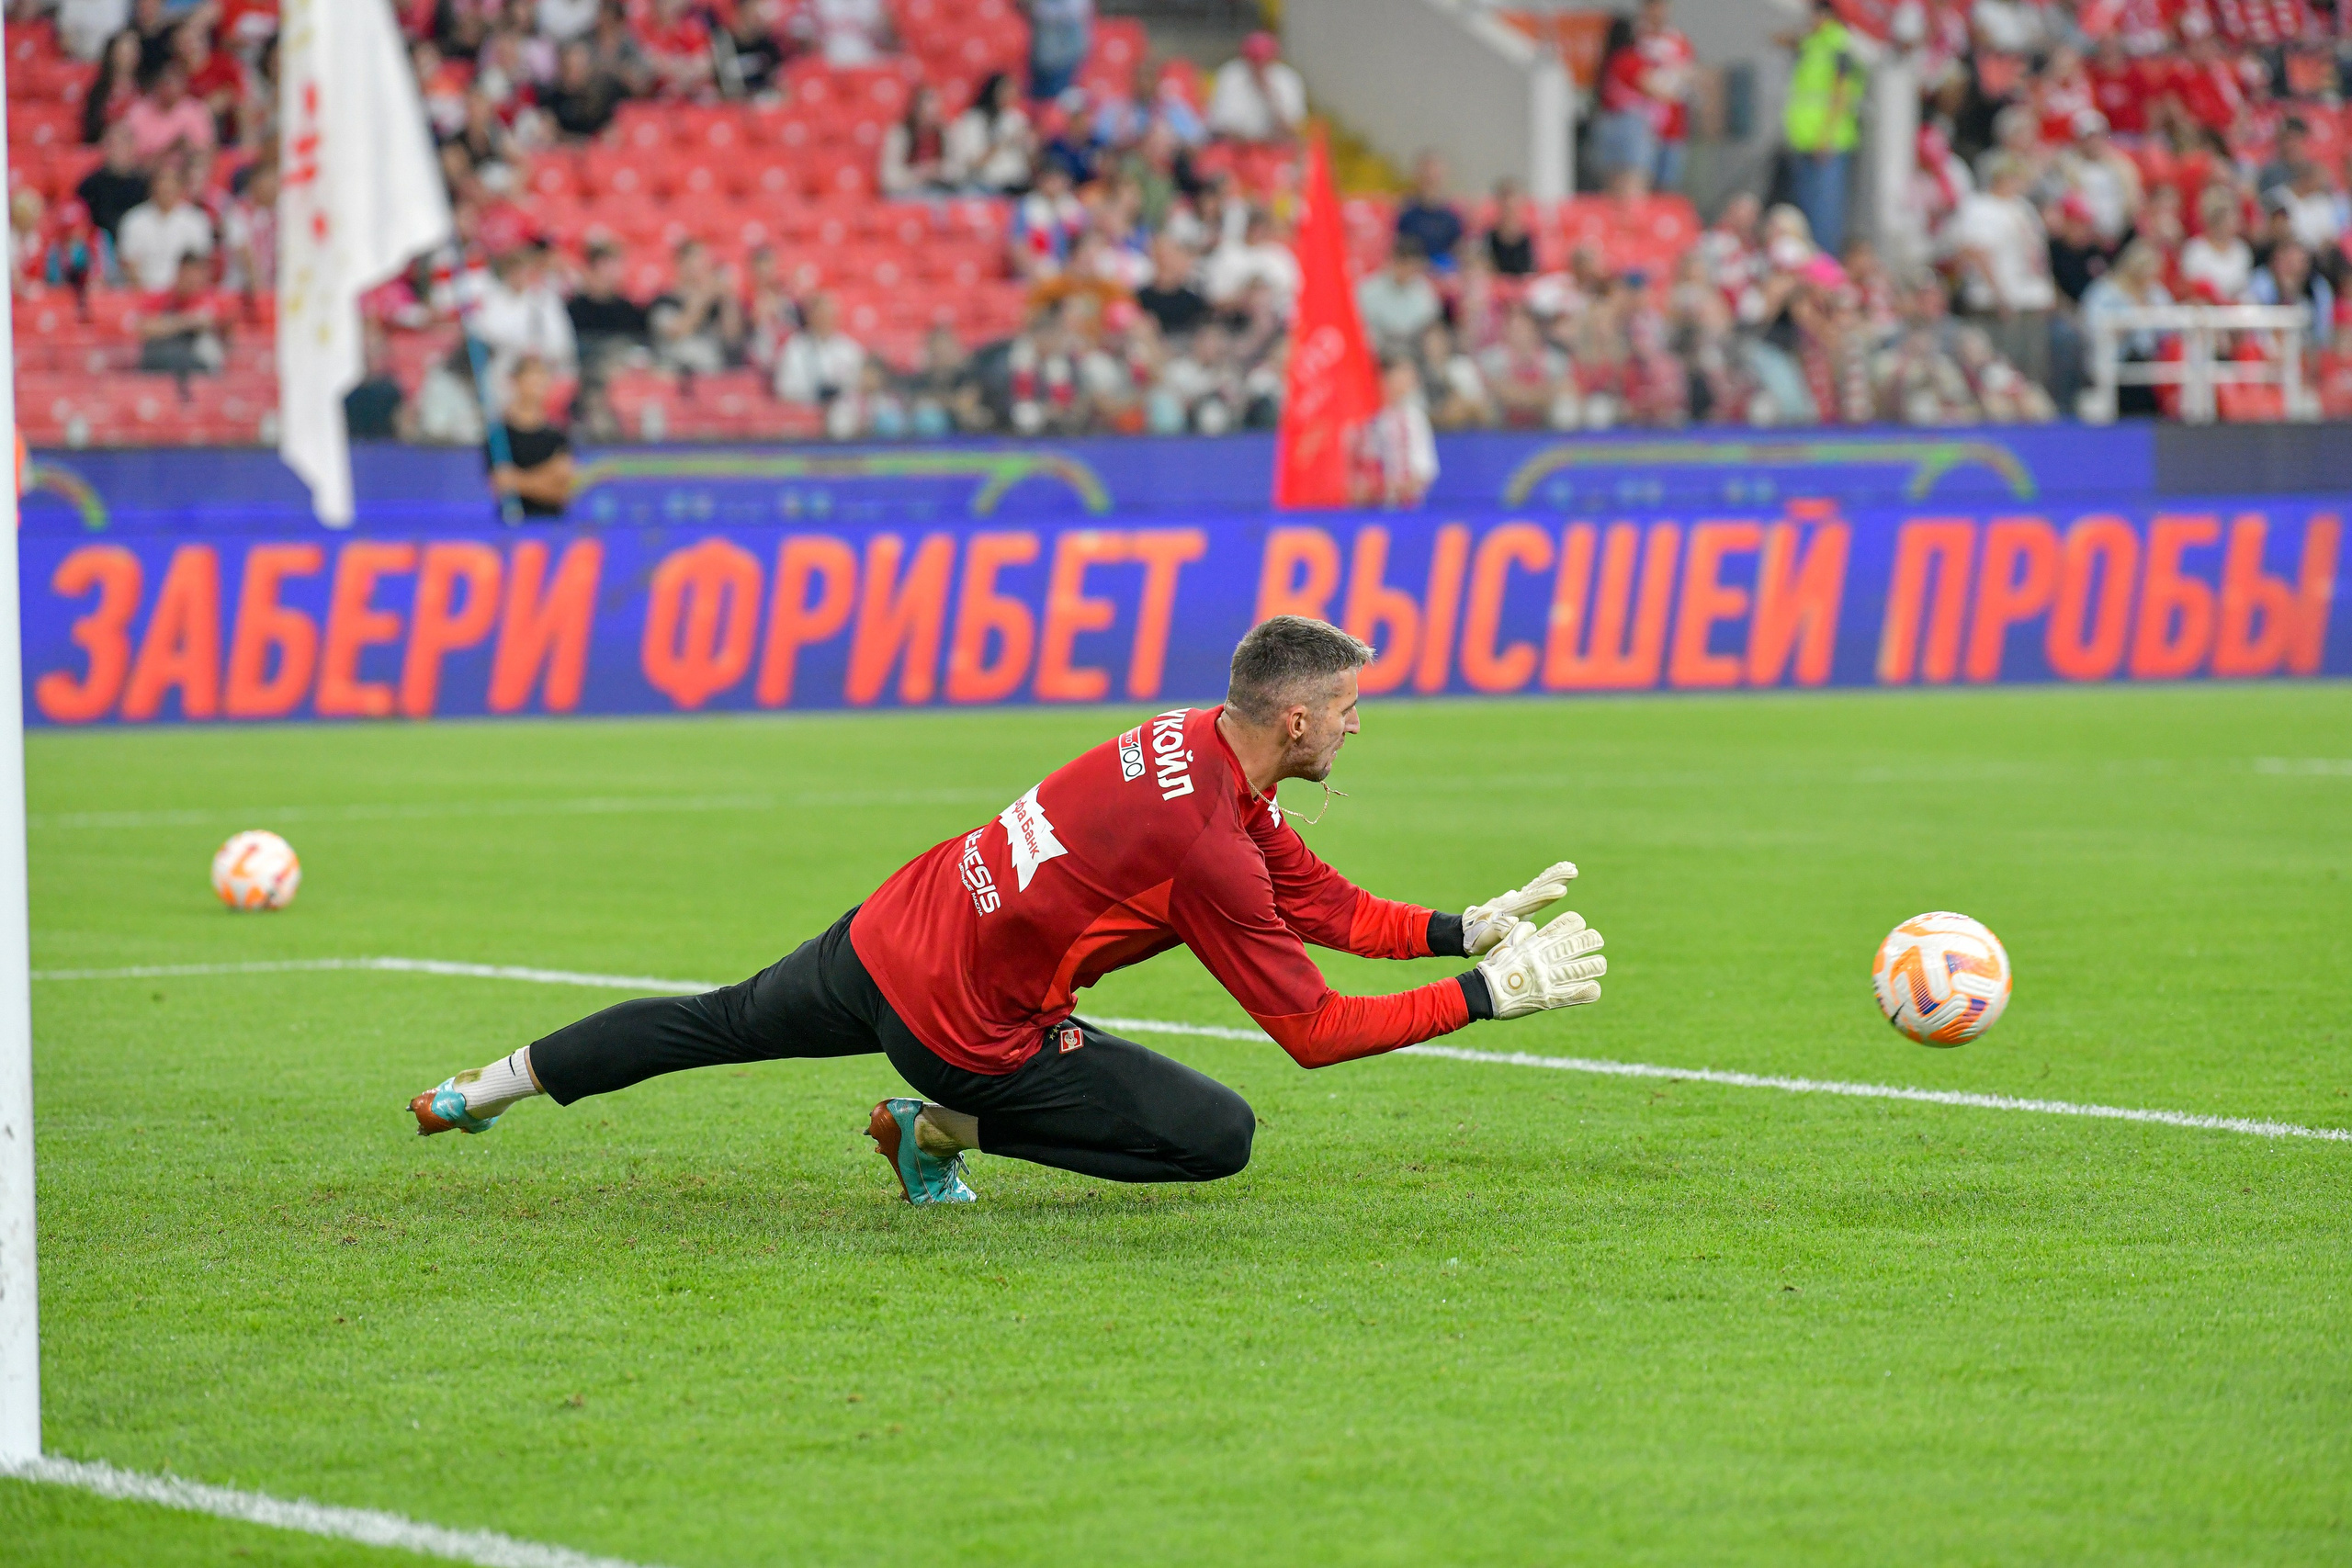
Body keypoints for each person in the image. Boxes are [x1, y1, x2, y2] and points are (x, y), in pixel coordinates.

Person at [407, 616, 1609, 1206]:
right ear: (1292, 722)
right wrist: (1487, 993)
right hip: (962, 1028)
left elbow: (1316, 898)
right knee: (1218, 1136)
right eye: (1348, 707)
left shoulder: (1191, 747)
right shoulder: (1208, 843)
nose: (1357, 725)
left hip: (890, 927)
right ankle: (934, 1131)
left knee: (711, 1021)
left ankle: (480, 1088)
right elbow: (1313, 1029)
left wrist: (1461, 926)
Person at [1779, 0, 1863, 256]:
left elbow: (1841, 93)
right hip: (1804, 137)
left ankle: (1826, 262)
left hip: (1828, 141)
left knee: (1825, 211)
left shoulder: (1838, 43)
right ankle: (1809, 259)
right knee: (1806, 208)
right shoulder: (1812, 42)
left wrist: (1826, 136)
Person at [486, 355, 576, 520]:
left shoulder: (556, 435)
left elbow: (563, 490)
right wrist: (547, 476)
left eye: (543, 376)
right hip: (513, 530)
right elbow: (499, 483)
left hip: (552, 530)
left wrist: (517, 480)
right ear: (515, 380)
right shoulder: (499, 436)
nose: (539, 383)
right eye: (532, 376)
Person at [114, 160, 211, 292]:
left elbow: (200, 265)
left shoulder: (196, 220)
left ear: (180, 187)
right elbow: (129, 265)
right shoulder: (134, 220)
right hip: (144, 294)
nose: (166, 189)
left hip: (183, 296)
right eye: (161, 183)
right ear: (152, 187)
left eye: (171, 184)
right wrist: (148, 297)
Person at [133, 251, 225, 375]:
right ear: (180, 272)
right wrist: (186, 321)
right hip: (160, 362)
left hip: (195, 364)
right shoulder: (162, 298)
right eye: (189, 274)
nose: (193, 280)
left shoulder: (207, 299)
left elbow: (209, 321)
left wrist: (166, 326)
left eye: (197, 275)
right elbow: (143, 328)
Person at [1205, 30, 1305, 144]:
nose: (1258, 66)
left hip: (1274, 148)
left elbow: (1294, 131)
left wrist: (1269, 94)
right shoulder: (1230, 75)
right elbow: (1218, 125)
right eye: (1254, 59)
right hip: (1236, 148)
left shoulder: (1288, 79)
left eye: (1264, 60)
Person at [1395, 152, 1464, 271]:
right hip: (1413, 274)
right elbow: (1399, 250)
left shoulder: (1452, 217)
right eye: (1426, 176)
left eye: (1434, 177)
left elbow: (1459, 252)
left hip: (1445, 276)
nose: (1430, 180)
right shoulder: (1407, 215)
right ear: (1417, 177)